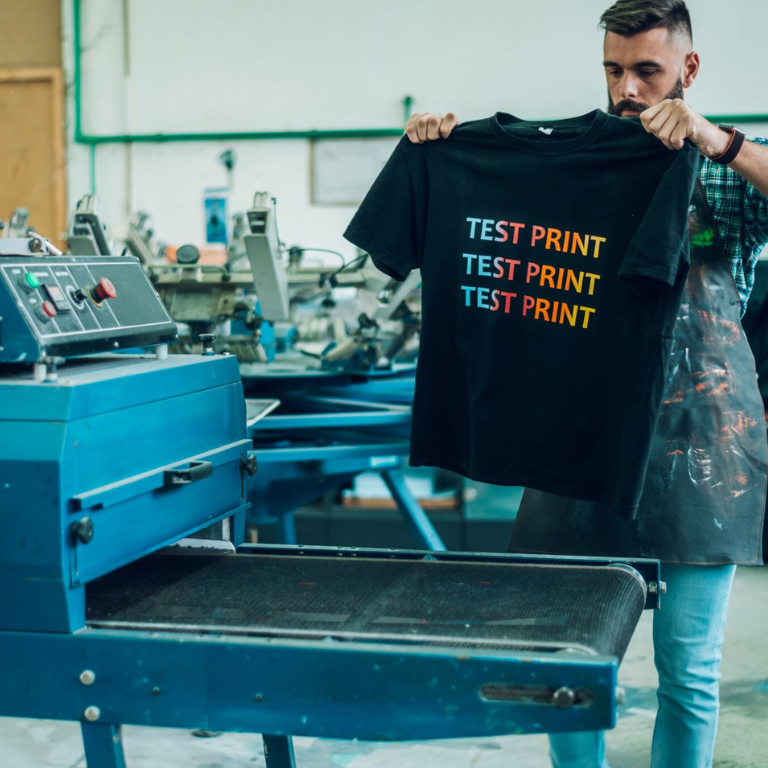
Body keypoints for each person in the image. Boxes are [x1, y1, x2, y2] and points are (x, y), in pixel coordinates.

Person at [401, 2, 768, 767]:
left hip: (700, 454)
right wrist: (441, 145)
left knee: (689, 674)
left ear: (688, 71)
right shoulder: (565, 165)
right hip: (577, 443)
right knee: (562, 666)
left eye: (647, 71)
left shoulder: (718, 169)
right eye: (613, 70)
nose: (627, 90)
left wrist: (717, 138)